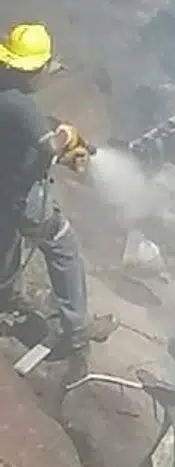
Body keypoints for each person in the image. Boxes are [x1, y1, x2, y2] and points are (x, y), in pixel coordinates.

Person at [0, 22, 106, 366]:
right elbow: (48, 149)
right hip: (21, 191)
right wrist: (67, 136)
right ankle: (74, 329)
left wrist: (55, 71)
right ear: (34, 69)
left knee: (8, 239)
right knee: (62, 246)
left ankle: (6, 299)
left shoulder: (6, 84)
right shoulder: (21, 105)